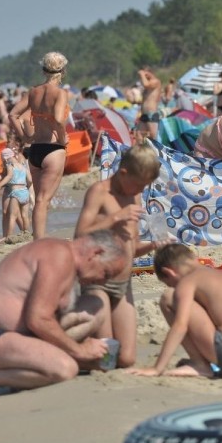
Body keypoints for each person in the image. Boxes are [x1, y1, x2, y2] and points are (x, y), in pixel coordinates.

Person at [0, 230, 128, 400]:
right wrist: (80, 350)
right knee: (65, 369)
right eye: (106, 273)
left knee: (94, 304)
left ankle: (34, 367)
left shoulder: (66, 258)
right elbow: (38, 319)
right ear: (96, 253)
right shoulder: (59, 255)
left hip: (21, 335)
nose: (103, 281)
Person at [74, 143, 165, 369]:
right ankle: (70, 351)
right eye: (138, 185)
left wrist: (153, 245)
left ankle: (83, 344)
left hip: (123, 283)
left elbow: (130, 245)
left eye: (144, 187)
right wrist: (115, 217)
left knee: (126, 359)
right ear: (123, 173)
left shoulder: (133, 194)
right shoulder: (99, 192)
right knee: (106, 359)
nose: (140, 191)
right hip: (98, 282)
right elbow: (80, 235)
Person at [129, 243, 222, 378]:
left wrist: (157, 368)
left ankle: (200, 365)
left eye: (170, 283)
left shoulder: (188, 281)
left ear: (169, 272)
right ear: (193, 257)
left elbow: (180, 326)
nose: (174, 286)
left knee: (168, 297)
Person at [8, 51, 70, 239]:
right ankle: (39, 242)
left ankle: (38, 236)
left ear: (44, 70)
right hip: (53, 148)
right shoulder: (60, 93)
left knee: (40, 200)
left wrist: (24, 138)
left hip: (34, 149)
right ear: (63, 71)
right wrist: (61, 138)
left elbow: (13, 115)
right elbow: (59, 120)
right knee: (43, 200)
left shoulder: (34, 91)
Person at [0, 146, 32, 242]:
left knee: (12, 216)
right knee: (25, 215)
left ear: (6, 158)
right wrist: (26, 187)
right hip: (25, 192)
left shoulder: (10, 165)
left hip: (16, 192)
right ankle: (26, 233)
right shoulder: (23, 167)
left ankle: (8, 237)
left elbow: (9, 176)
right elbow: (30, 180)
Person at [136, 66, 162, 141]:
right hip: (144, 113)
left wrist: (141, 74)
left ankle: (154, 152)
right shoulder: (147, 84)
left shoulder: (156, 81)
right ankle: (140, 151)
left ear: (151, 72)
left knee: (152, 136)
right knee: (139, 135)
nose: (144, 75)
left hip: (151, 113)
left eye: (145, 73)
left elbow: (146, 84)